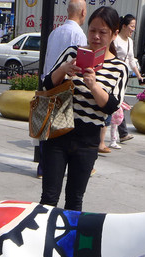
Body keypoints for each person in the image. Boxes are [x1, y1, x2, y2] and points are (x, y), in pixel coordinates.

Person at [40, 7, 127, 211]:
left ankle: (70, 240)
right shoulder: (73, 53)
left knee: (75, 199)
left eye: (103, 32)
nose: (96, 36)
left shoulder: (119, 68)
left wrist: (94, 85)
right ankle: (44, 240)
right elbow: (47, 85)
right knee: (49, 197)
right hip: (58, 133)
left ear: (114, 34)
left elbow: (111, 107)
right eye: (92, 30)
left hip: (87, 140)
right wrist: (64, 69)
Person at [37, 0, 87, 178]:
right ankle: (58, 167)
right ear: (83, 12)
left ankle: (43, 168)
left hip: (49, 83)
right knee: (62, 128)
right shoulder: (79, 35)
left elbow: (47, 59)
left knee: (46, 127)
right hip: (66, 86)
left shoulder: (55, 32)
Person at [112, 14, 145, 143]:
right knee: (119, 103)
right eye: (131, 26)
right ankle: (122, 133)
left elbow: (132, 60)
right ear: (124, 26)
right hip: (114, 76)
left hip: (123, 77)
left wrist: (139, 76)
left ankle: (121, 134)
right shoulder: (115, 40)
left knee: (119, 103)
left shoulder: (130, 42)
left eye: (134, 27)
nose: (133, 29)